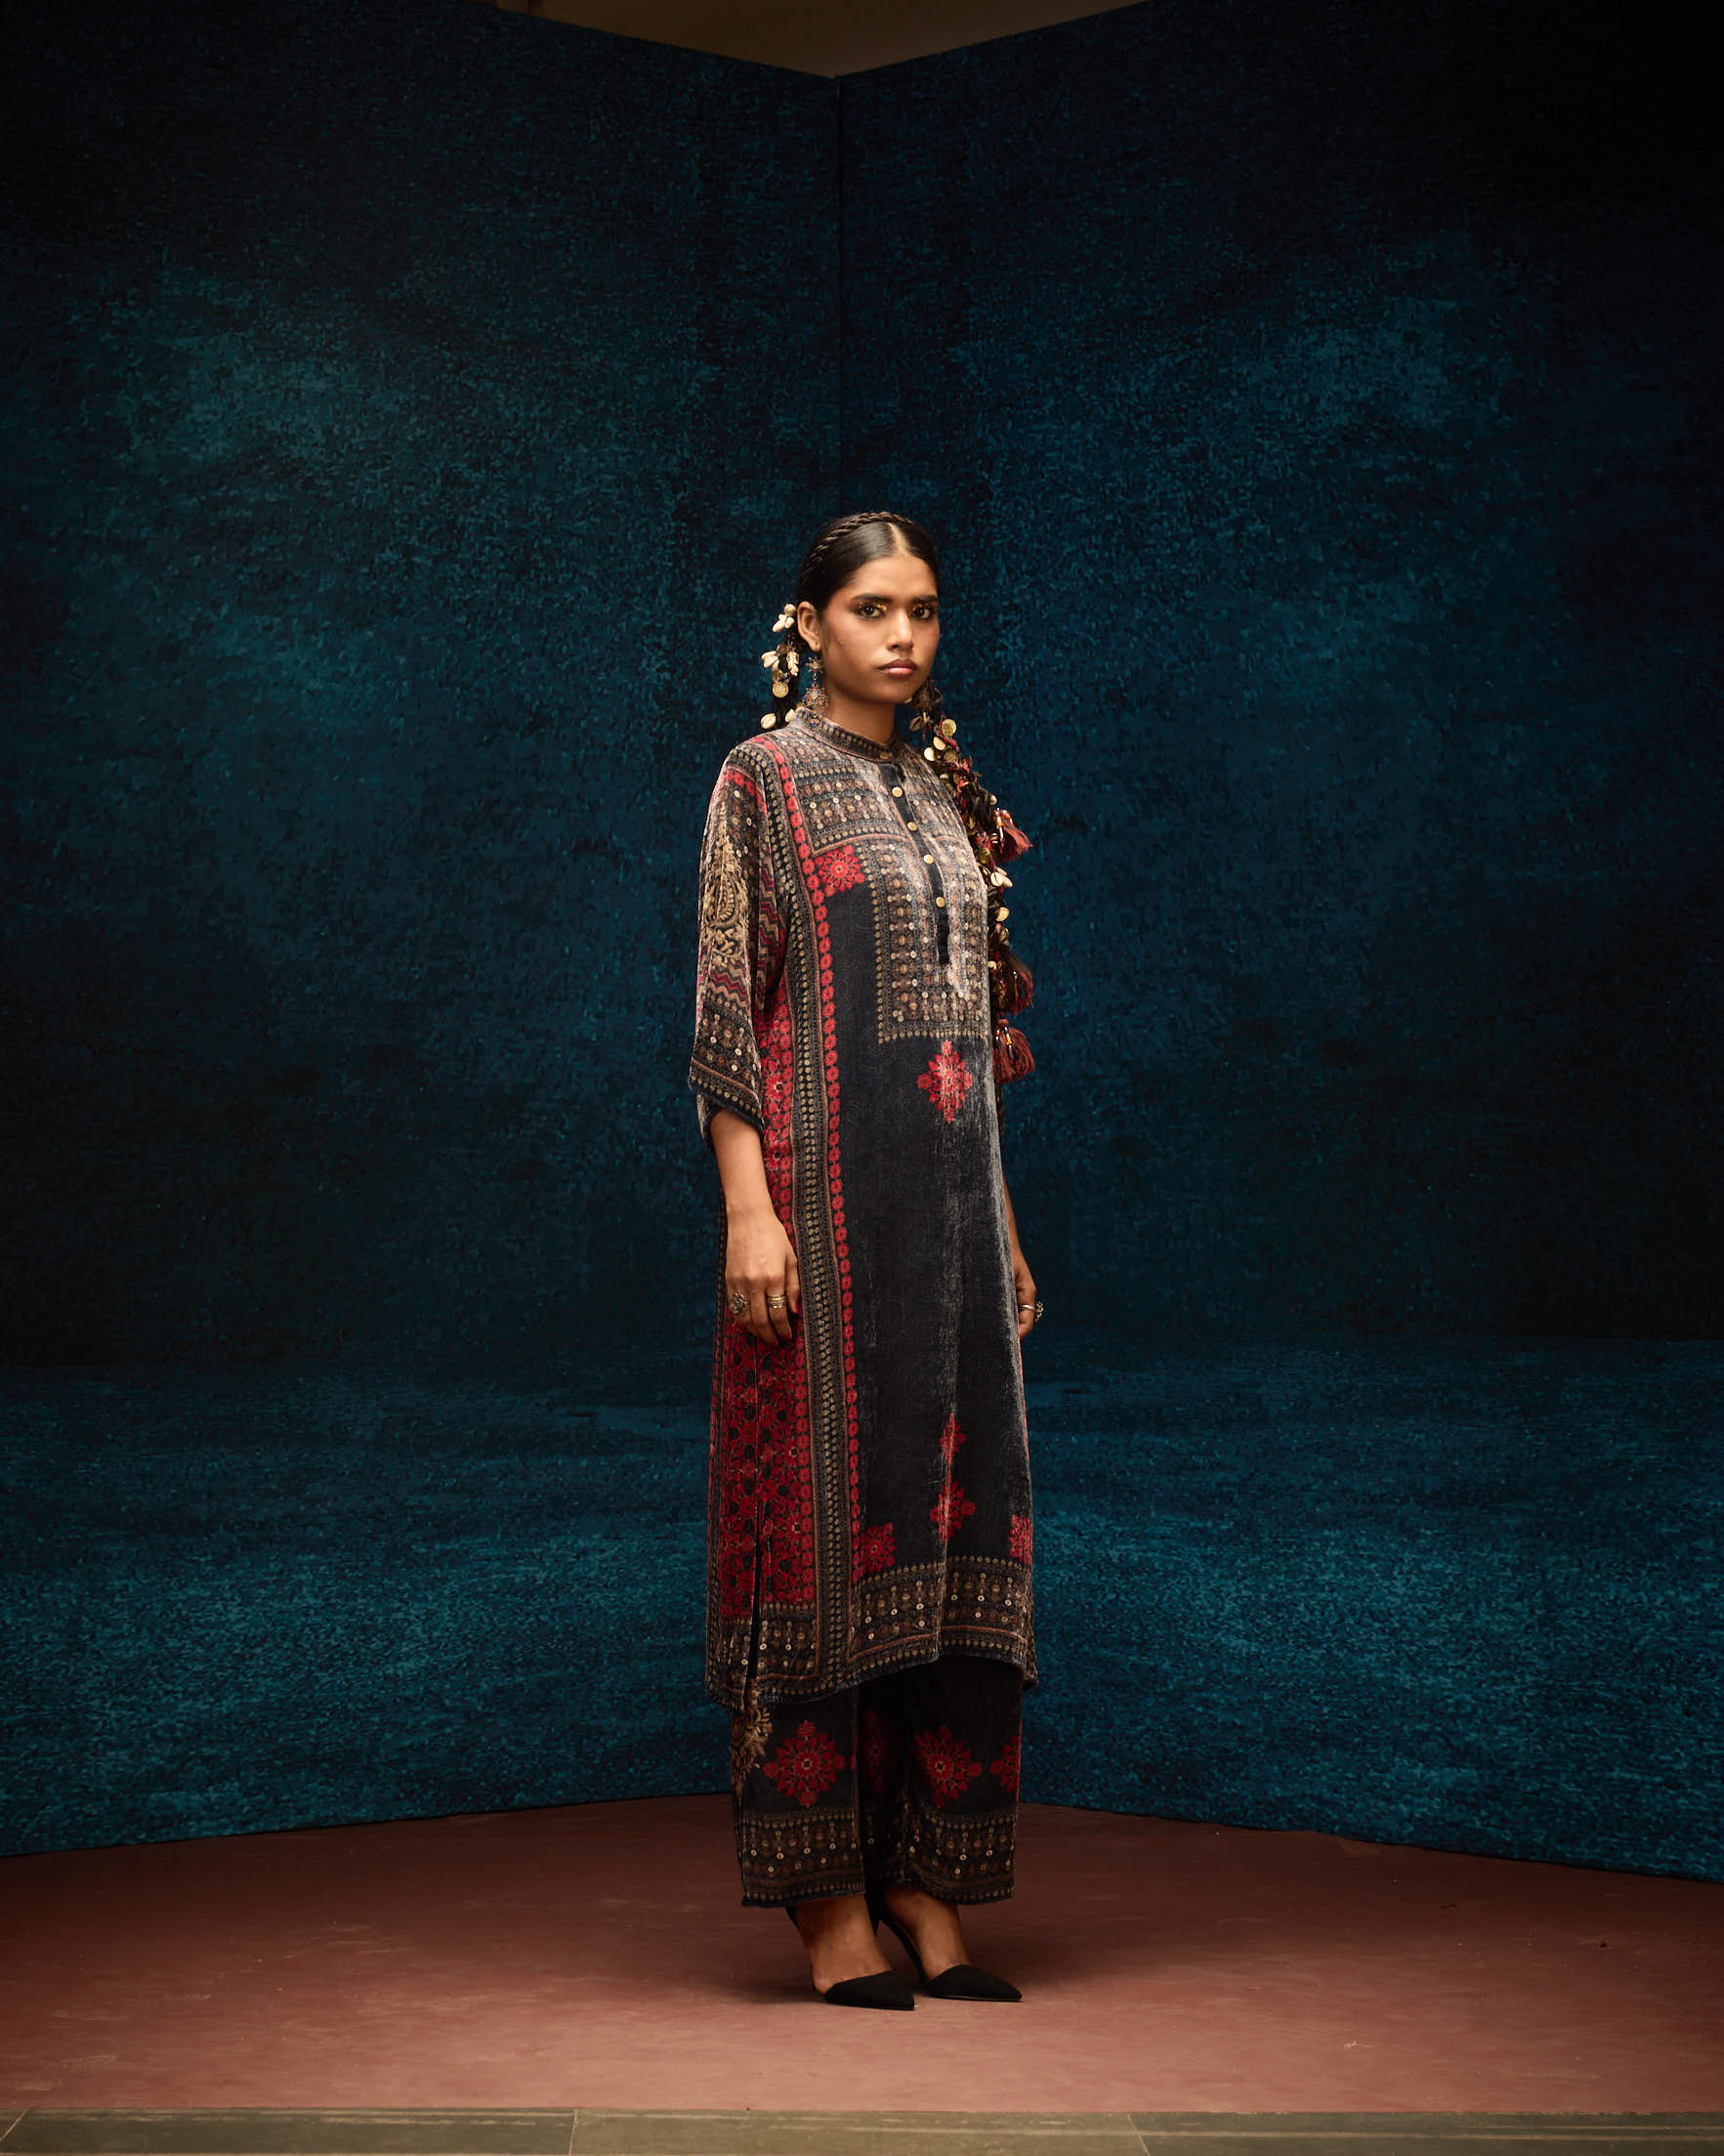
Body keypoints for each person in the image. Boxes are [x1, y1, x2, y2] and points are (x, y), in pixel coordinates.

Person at [688, 510, 1043, 2009]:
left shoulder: (947, 792)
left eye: (924, 610)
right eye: (872, 609)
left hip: (950, 1238)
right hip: (820, 1224)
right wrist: (746, 1212)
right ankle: (827, 1900)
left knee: (957, 1537)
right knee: (822, 1534)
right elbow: (726, 1001)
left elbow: (970, 1041)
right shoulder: (762, 780)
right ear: (810, 625)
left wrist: (1001, 1233)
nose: (902, 635)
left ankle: (925, 1879)